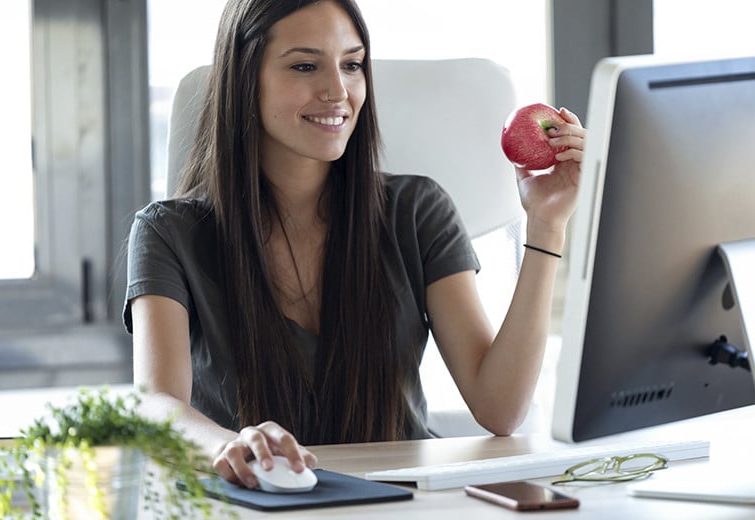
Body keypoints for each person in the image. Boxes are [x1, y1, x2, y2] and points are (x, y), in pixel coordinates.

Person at [124, 0, 585, 490]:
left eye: (352, 65)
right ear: (245, 79)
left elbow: (501, 408)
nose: (337, 91)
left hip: (404, 501)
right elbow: (156, 404)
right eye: (305, 66)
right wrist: (226, 445)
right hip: (256, 501)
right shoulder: (168, 232)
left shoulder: (417, 210)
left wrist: (546, 226)